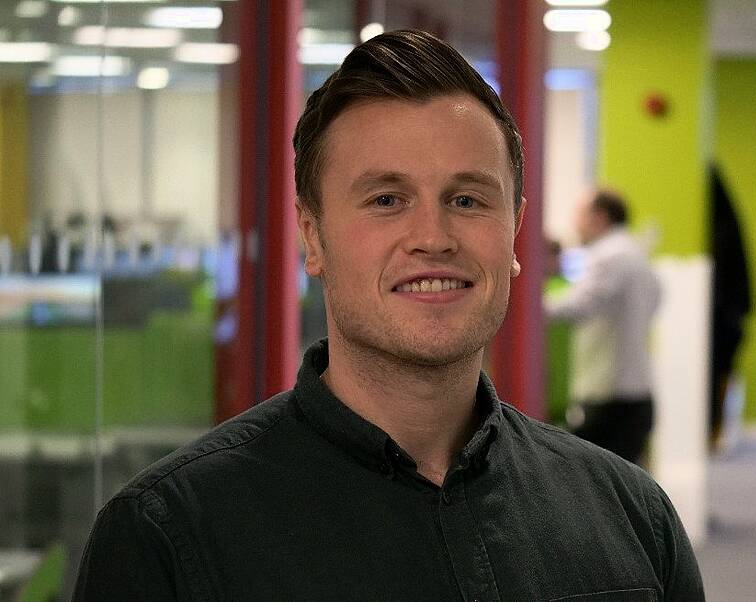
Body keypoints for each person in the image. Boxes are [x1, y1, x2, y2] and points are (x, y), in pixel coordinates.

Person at [74, 30, 703, 601]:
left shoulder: (632, 519)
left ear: (513, 232)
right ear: (312, 236)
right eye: (386, 199)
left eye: (466, 198)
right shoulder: (168, 537)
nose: (432, 236)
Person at [545, 190, 662, 465]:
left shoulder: (608, 256)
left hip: (610, 397)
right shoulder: (637, 254)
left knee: (594, 483)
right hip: (634, 392)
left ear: (599, 217)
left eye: (579, 216)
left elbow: (579, 305)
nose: (575, 225)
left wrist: (521, 307)